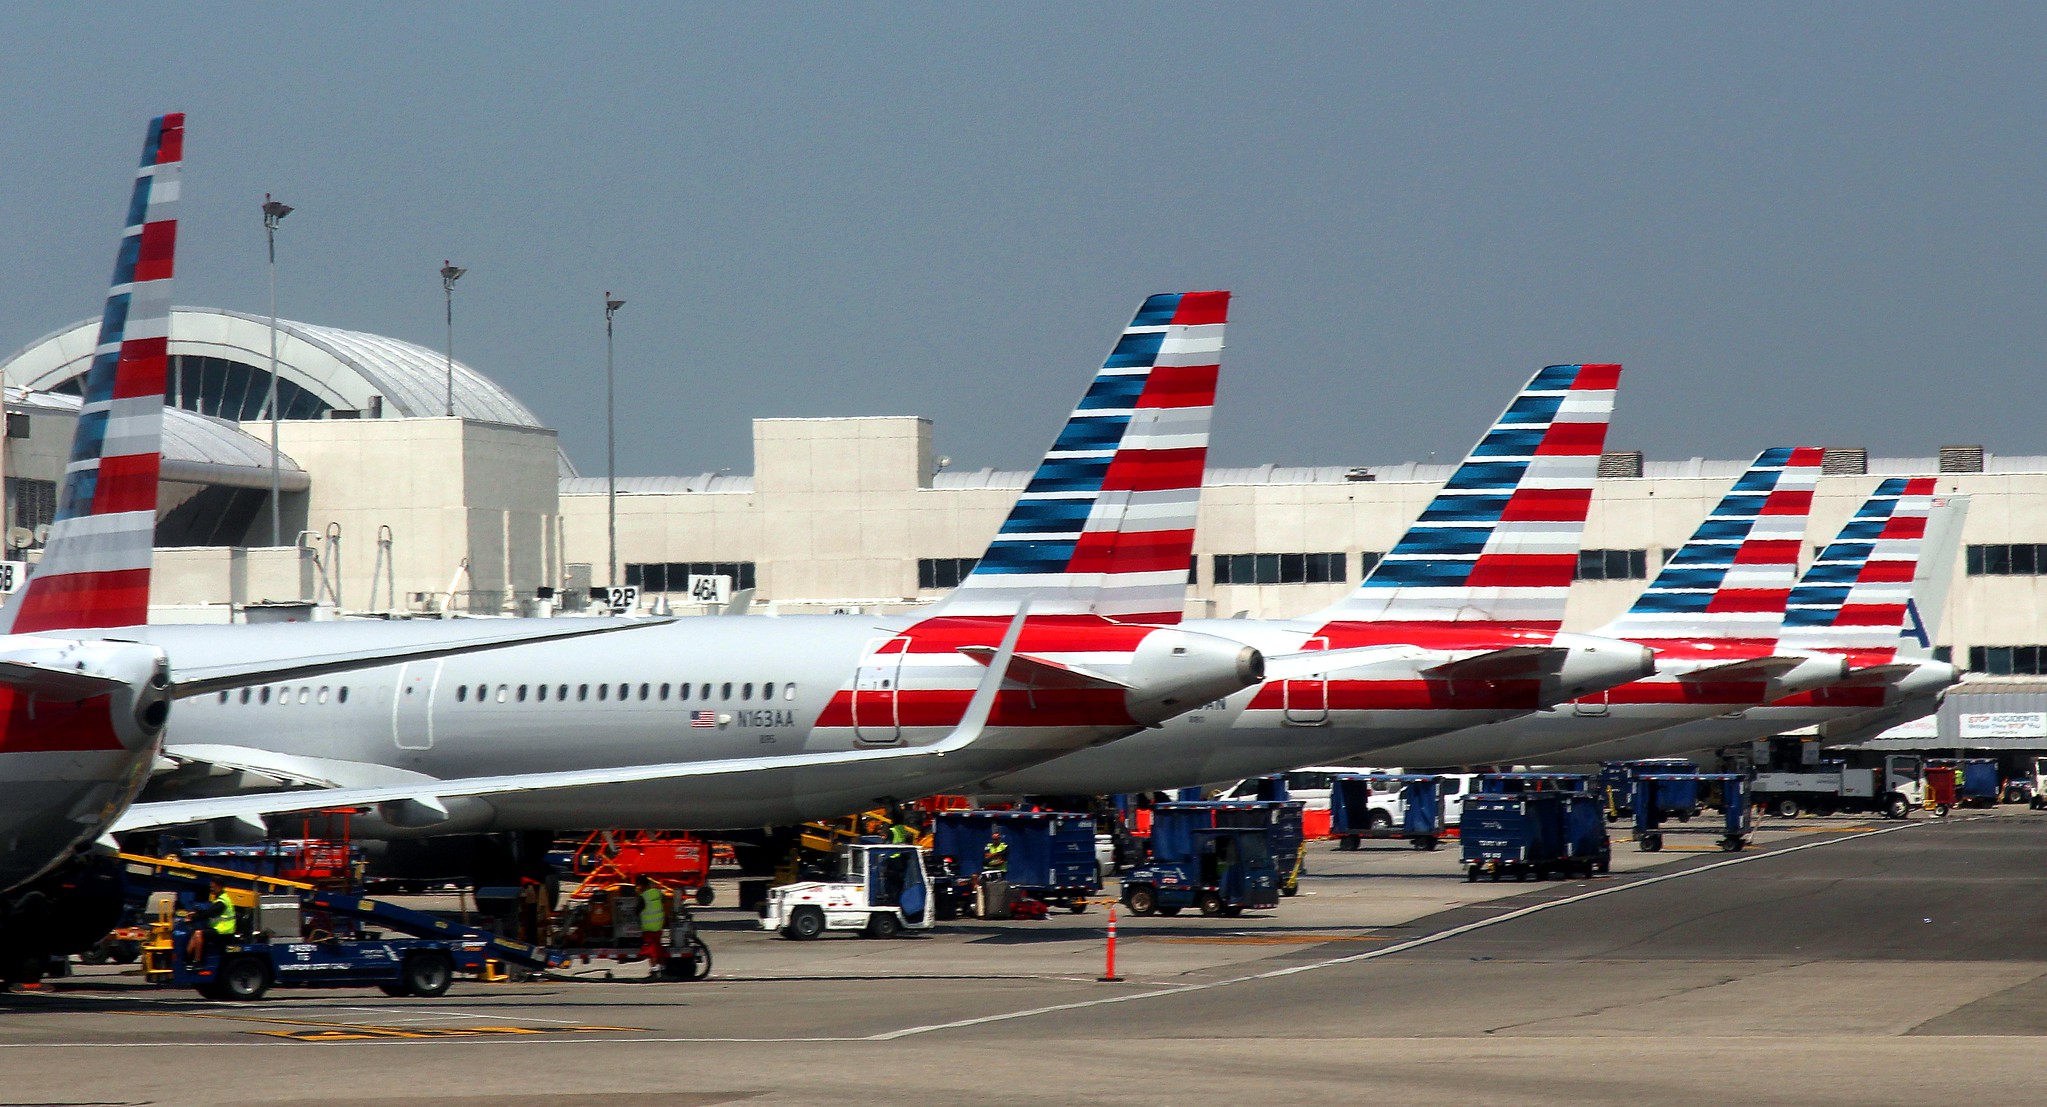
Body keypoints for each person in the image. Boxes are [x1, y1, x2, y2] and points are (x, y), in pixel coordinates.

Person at [184, 879, 237, 963]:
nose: (211, 889)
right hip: (220, 930)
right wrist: (195, 914)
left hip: (224, 932)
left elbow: (210, 913)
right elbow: (209, 911)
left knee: (198, 933)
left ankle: (197, 961)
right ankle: (186, 959)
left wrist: (193, 919)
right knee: (195, 934)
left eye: (213, 887)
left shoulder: (222, 901)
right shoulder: (220, 899)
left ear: (219, 887)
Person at [635, 876, 667, 968]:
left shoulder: (643, 897)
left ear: (641, 886)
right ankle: (662, 967)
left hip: (648, 927)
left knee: (651, 949)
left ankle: (654, 969)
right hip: (659, 925)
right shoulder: (657, 893)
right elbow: (664, 900)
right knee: (658, 946)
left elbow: (636, 911)